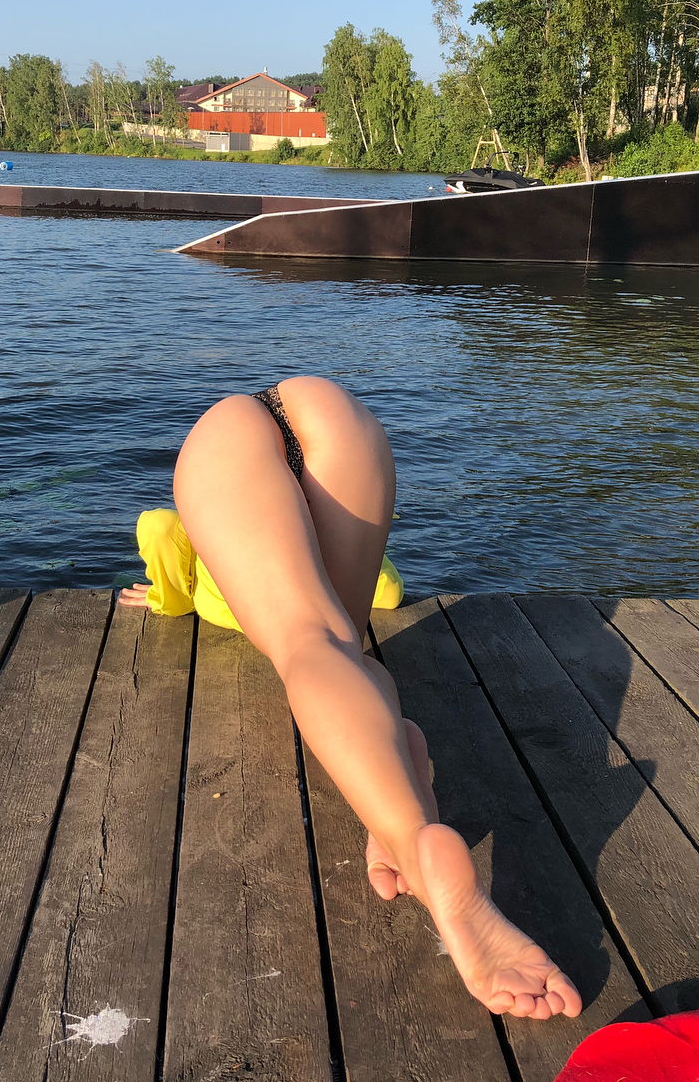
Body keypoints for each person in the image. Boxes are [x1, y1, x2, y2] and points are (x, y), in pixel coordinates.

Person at [120, 376, 581, 1021]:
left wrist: (164, 598)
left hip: (230, 434)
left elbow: (167, 537)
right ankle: (397, 811)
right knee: (346, 646)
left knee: (307, 643)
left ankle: (418, 850)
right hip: (337, 412)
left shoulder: (216, 549)